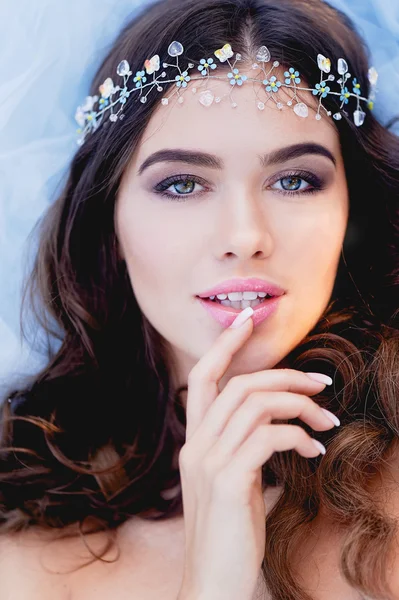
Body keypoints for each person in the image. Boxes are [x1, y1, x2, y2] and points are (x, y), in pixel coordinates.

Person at [0, 0, 398, 598]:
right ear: (109, 224)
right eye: (182, 184)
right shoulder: (27, 549)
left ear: (352, 212)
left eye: (295, 180)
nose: (244, 237)